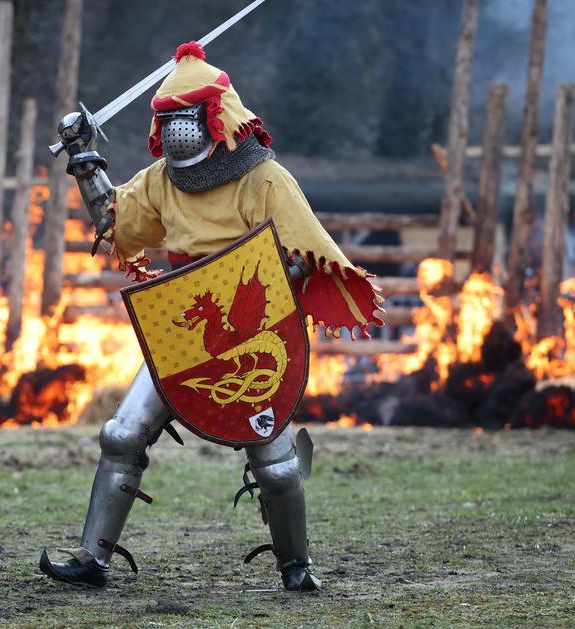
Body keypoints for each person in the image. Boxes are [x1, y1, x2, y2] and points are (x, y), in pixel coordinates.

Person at [40, 41, 383, 592]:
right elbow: (115, 221)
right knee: (121, 434)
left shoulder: (264, 179)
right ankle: (92, 560)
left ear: (214, 117)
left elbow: (301, 257)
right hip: (183, 334)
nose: (175, 128)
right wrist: (84, 159)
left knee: (275, 465)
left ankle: (297, 565)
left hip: (251, 338)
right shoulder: (159, 180)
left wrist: (286, 279)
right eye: (166, 118)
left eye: (184, 116)